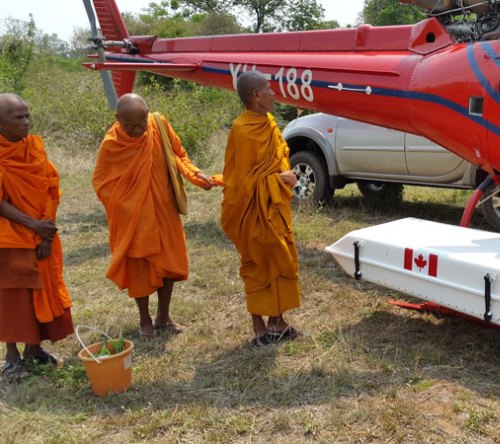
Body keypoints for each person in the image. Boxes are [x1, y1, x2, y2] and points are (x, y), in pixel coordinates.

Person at [92, 93, 214, 340]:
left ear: (148, 114)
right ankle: (144, 320)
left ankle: (163, 317)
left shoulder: (158, 124)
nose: (137, 130)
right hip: (134, 218)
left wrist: (194, 174)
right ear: (117, 119)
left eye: (141, 123)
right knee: (140, 268)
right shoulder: (111, 144)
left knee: (168, 263)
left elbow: (178, 154)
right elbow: (102, 184)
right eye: (130, 126)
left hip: (164, 208)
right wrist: (129, 204)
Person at [221, 71, 301, 346]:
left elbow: (279, 156)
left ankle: (277, 321)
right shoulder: (242, 131)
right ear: (256, 95)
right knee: (257, 264)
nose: (274, 93)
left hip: (276, 206)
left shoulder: (268, 122)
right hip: (253, 210)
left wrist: (283, 176)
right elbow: (241, 182)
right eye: (269, 89)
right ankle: (259, 327)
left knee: (282, 259)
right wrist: (277, 179)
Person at [0, 93, 73, 380]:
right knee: (12, 295)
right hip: (10, 236)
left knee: (41, 288)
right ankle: (12, 356)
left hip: (41, 233)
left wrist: (46, 234)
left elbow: (49, 188)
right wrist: (33, 226)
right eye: (18, 118)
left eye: (27, 115)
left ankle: (34, 349)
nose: (26, 122)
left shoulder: (35, 148)